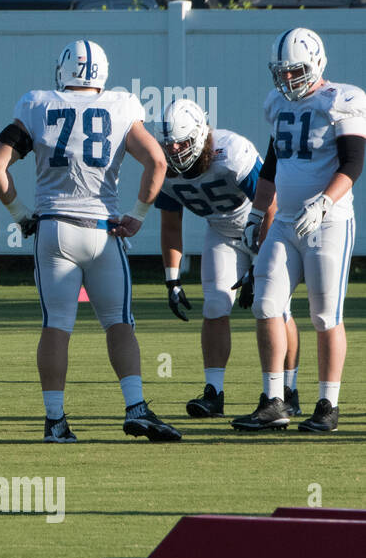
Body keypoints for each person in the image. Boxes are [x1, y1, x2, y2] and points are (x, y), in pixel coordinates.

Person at [0, 39, 180, 443]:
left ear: (62, 70)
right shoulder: (121, 106)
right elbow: (158, 162)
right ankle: (135, 407)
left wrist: (21, 215)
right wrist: (139, 215)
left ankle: (55, 421)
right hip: (102, 231)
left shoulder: (37, 105)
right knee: (120, 324)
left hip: (54, 228)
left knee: (56, 326)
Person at [232, 27, 365, 433]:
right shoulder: (278, 104)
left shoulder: (342, 98)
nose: (288, 79)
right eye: (282, 72)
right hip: (286, 221)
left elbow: (353, 162)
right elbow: (271, 167)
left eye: (296, 71)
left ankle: (328, 404)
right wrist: (257, 215)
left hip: (329, 222)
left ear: (317, 63)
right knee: (266, 305)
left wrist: (325, 201)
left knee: (325, 315)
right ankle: (275, 401)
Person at [150, 98, 300, 418]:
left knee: (274, 308)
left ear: (201, 135)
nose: (175, 150)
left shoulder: (231, 152)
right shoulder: (164, 167)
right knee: (215, 304)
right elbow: (171, 223)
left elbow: (270, 204)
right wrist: (172, 279)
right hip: (221, 232)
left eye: (183, 142)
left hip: (266, 227)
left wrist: (258, 264)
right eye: (170, 143)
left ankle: (288, 390)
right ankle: (214, 393)